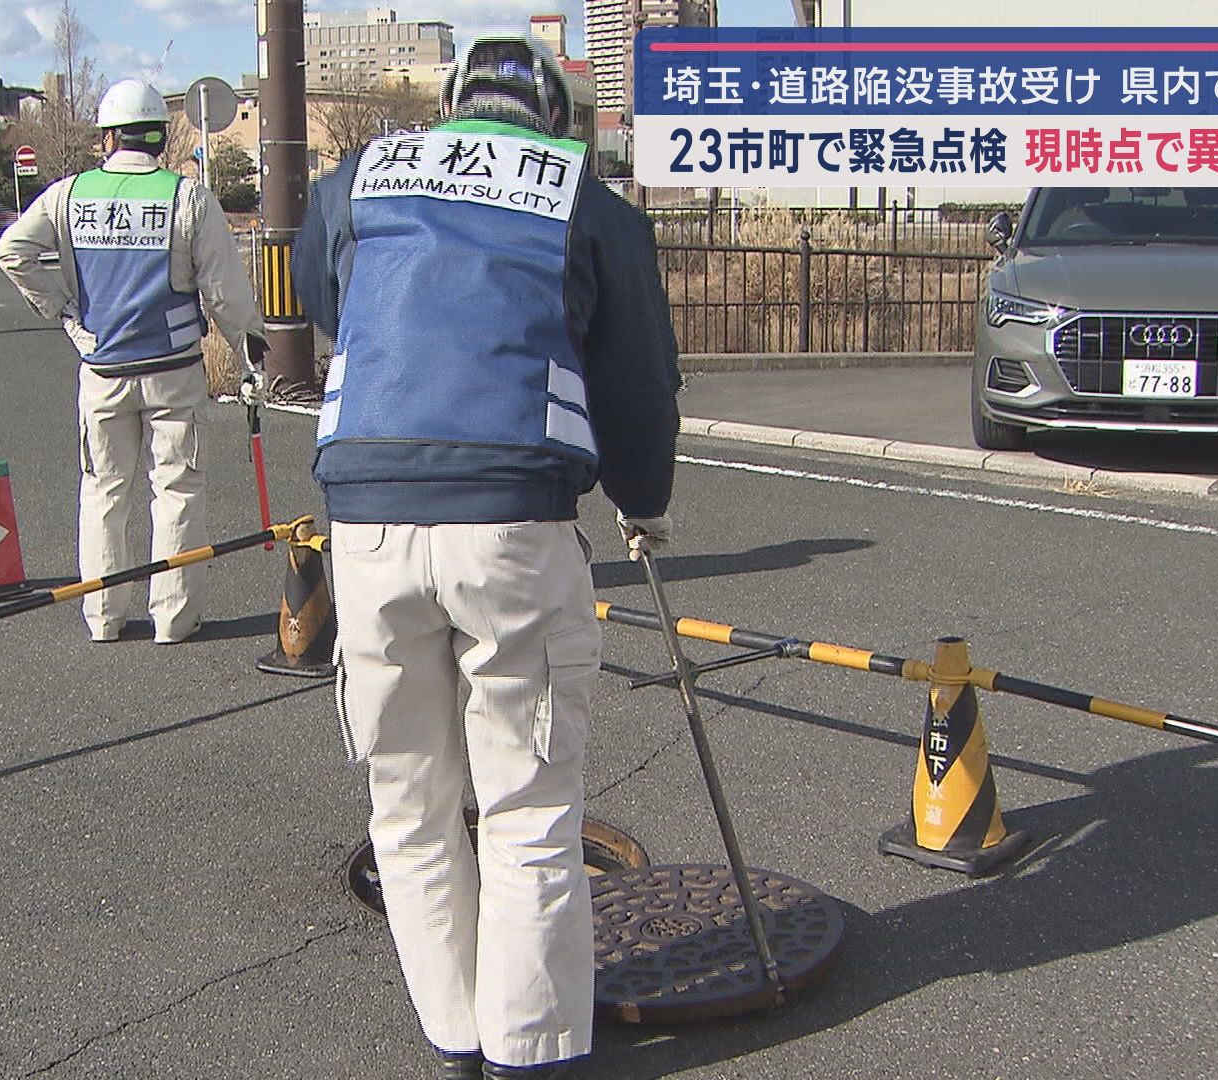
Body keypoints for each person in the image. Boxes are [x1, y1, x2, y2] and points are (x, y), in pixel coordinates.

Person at [291, 31, 679, 1080]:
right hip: (514, 525)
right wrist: (645, 504)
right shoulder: (586, 204)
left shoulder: (359, 180)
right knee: (528, 807)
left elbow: (327, 298)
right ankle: (532, 1054)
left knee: (408, 804)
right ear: (551, 120)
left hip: (366, 522)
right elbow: (638, 384)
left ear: (454, 107)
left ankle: (453, 1039)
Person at [0, 79, 267, 644]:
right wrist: (250, 357)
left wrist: (66, 312)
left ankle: (104, 616)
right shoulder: (185, 197)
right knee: (177, 491)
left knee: (103, 492)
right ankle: (173, 617)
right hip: (172, 371)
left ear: (108, 137)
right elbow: (225, 294)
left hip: (102, 369)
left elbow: (10, 250)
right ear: (161, 137)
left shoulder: (68, 195)